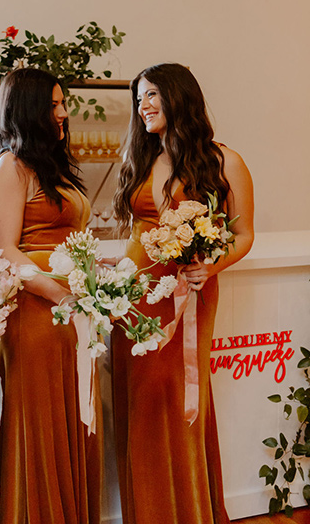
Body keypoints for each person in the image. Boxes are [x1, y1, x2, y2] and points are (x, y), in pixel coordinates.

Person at [112, 63, 254, 524]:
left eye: (152, 94)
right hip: (134, 295)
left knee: (176, 397)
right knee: (140, 400)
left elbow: (244, 232)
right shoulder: (141, 156)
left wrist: (211, 265)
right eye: (139, 98)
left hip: (188, 290)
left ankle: (186, 510)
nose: (143, 105)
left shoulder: (224, 160)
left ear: (179, 97)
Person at [0, 67, 103, 524]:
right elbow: (5, 251)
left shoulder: (49, 166)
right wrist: (59, 294)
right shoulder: (9, 168)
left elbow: (69, 235)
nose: (63, 113)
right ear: (29, 110)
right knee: (40, 423)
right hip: (37, 311)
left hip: (72, 309)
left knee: (73, 415)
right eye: (53, 105)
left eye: (62, 103)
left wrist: (96, 271)